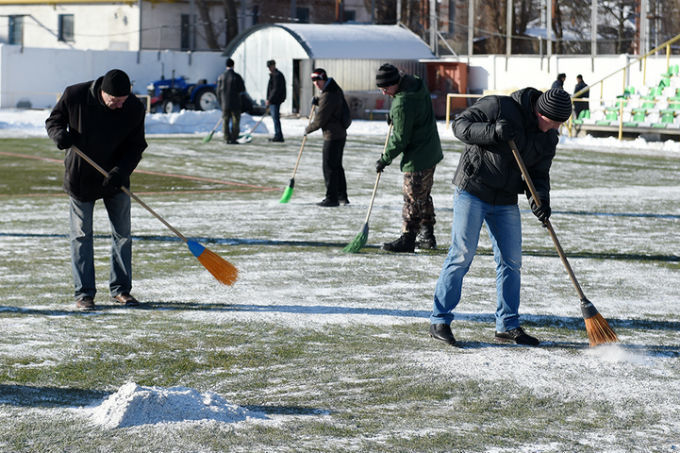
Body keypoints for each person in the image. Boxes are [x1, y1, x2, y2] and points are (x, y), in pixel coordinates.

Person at [428, 87, 573, 347]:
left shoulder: (548, 137)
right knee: (461, 255)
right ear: (539, 112)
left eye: (558, 125)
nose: (553, 128)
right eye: (551, 123)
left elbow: (539, 174)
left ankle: (507, 324)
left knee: (511, 261)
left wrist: (540, 201)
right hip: (473, 189)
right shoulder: (500, 106)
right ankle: (440, 320)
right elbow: (459, 126)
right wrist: (493, 132)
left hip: (505, 198)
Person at [45, 69, 147, 311]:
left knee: (123, 235)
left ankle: (121, 290)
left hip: (115, 178)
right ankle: (84, 294)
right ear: (103, 93)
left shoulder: (133, 107)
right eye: (116, 101)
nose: (121, 106)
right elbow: (53, 121)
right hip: (81, 177)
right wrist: (60, 135)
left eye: (124, 100)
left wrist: (121, 171)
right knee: (81, 237)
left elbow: (136, 146)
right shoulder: (75, 95)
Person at [374, 63, 443, 252]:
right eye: (381, 89)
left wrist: (385, 158)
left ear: (395, 83)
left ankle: (408, 239)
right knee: (423, 196)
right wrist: (395, 117)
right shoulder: (416, 84)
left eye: (386, 89)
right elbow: (411, 115)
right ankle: (427, 236)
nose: (383, 93)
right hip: (430, 149)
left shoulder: (403, 102)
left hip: (418, 156)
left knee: (412, 197)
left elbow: (400, 139)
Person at [304, 68, 350, 207]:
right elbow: (330, 105)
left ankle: (332, 198)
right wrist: (318, 101)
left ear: (324, 79)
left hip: (333, 135)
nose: (316, 83)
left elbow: (320, 120)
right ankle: (342, 196)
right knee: (337, 166)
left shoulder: (329, 94)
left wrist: (307, 129)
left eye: (318, 80)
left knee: (329, 167)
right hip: (339, 134)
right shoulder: (333, 90)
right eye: (314, 81)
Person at [216, 57, 245, 144]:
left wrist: (221, 102)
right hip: (235, 103)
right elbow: (242, 89)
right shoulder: (237, 76)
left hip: (225, 103)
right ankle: (234, 138)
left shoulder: (221, 77)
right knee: (235, 121)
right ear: (233, 65)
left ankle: (226, 138)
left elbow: (218, 92)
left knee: (225, 121)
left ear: (226, 66)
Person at [266, 59, 286, 142]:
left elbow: (275, 89)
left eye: (270, 66)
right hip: (274, 100)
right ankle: (278, 134)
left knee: (275, 118)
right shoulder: (274, 75)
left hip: (275, 100)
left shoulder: (276, 75)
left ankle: (278, 135)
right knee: (275, 118)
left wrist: (270, 99)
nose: (269, 68)